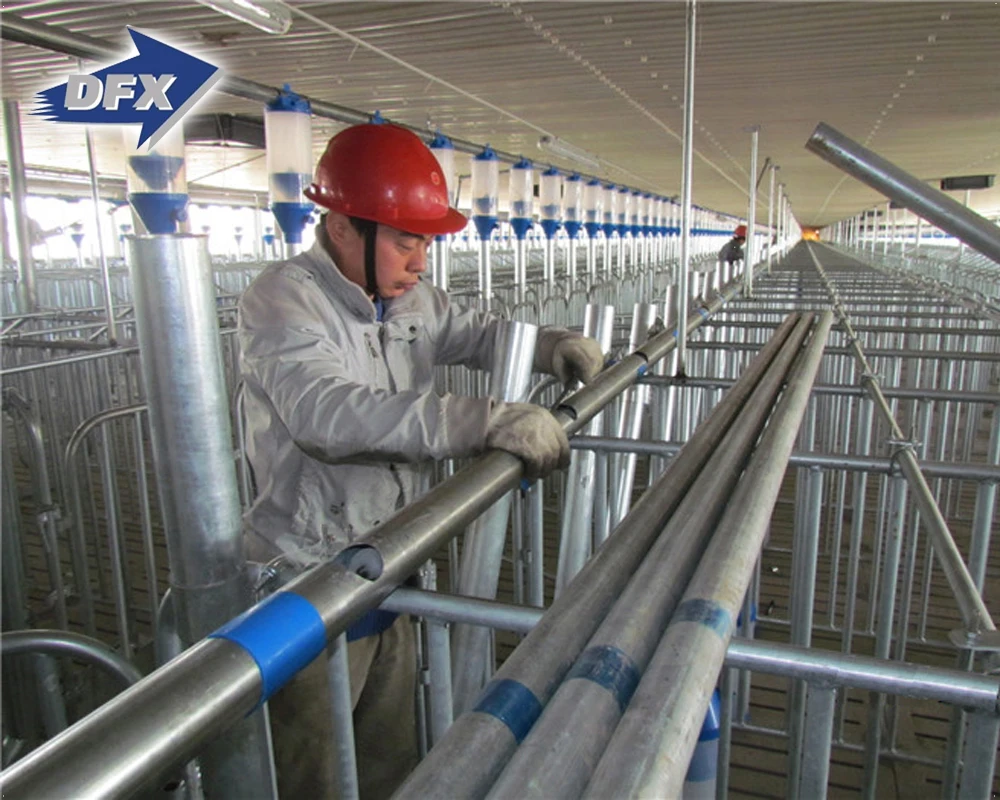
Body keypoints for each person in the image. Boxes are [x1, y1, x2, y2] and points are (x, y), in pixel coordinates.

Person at [237, 122, 604, 799]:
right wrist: (483, 420)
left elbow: (477, 331)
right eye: (408, 240)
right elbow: (324, 413)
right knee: (316, 771)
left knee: (386, 756)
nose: (422, 261)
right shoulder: (284, 298)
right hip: (307, 576)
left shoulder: (412, 298)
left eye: (427, 241)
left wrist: (551, 344)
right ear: (345, 226)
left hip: (392, 555)